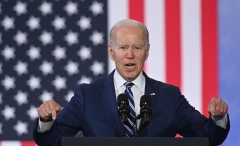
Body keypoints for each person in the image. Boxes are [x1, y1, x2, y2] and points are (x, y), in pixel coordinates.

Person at [33, 19, 230, 146]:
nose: (130, 55)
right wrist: (46, 121)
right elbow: (51, 141)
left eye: (137, 47)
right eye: (123, 47)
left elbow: (207, 137)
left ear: (147, 52)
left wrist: (218, 118)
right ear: (112, 52)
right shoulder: (88, 95)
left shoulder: (169, 96)